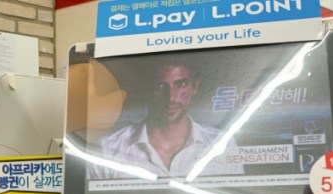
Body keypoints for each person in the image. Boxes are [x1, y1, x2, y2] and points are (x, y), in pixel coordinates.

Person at [91, 61, 243, 179]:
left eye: (181, 84)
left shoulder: (222, 144)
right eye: (161, 86)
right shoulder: (107, 149)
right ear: (149, 89)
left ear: (194, 87)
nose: (171, 97)